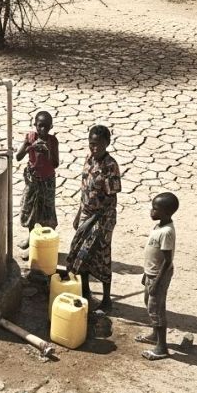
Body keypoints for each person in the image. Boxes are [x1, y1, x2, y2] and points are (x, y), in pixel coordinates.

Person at [65, 125, 121, 312]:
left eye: (98, 144)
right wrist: (79, 215)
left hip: (102, 219)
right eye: (91, 144)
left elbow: (111, 196)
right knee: (82, 254)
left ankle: (106, 299)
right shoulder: (88, 159)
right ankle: (86, 291)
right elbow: (85, 190)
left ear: (107, 143)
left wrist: (98, 221)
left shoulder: (110, 165)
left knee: (102, 256)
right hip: (86, 215)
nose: (94, 148)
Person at [135, 192, 179, 360]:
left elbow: (167, 261)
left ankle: (162, 347)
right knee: (149, 303)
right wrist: (146, 275)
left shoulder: (167, 232)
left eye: (155, 209)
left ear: (166, 212)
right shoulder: (159, 226)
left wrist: (157, 282)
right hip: (151, 274)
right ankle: (155, 335)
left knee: (157, 310)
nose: (151, 211)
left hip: (159, 276)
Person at [15, 110, 60, 250]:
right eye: (40, 126)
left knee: (47, 212)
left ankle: (45, 243)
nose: (43, 129)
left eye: (46, 126)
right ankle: (32, 238)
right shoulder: (30, 137)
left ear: (51, 127)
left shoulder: (52, 141)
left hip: (47, 181)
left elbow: (55, 164)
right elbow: (18, 157)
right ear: (35, 125)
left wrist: (48, 153)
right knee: (30, 211)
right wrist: (29, 146)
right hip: (33, 181)